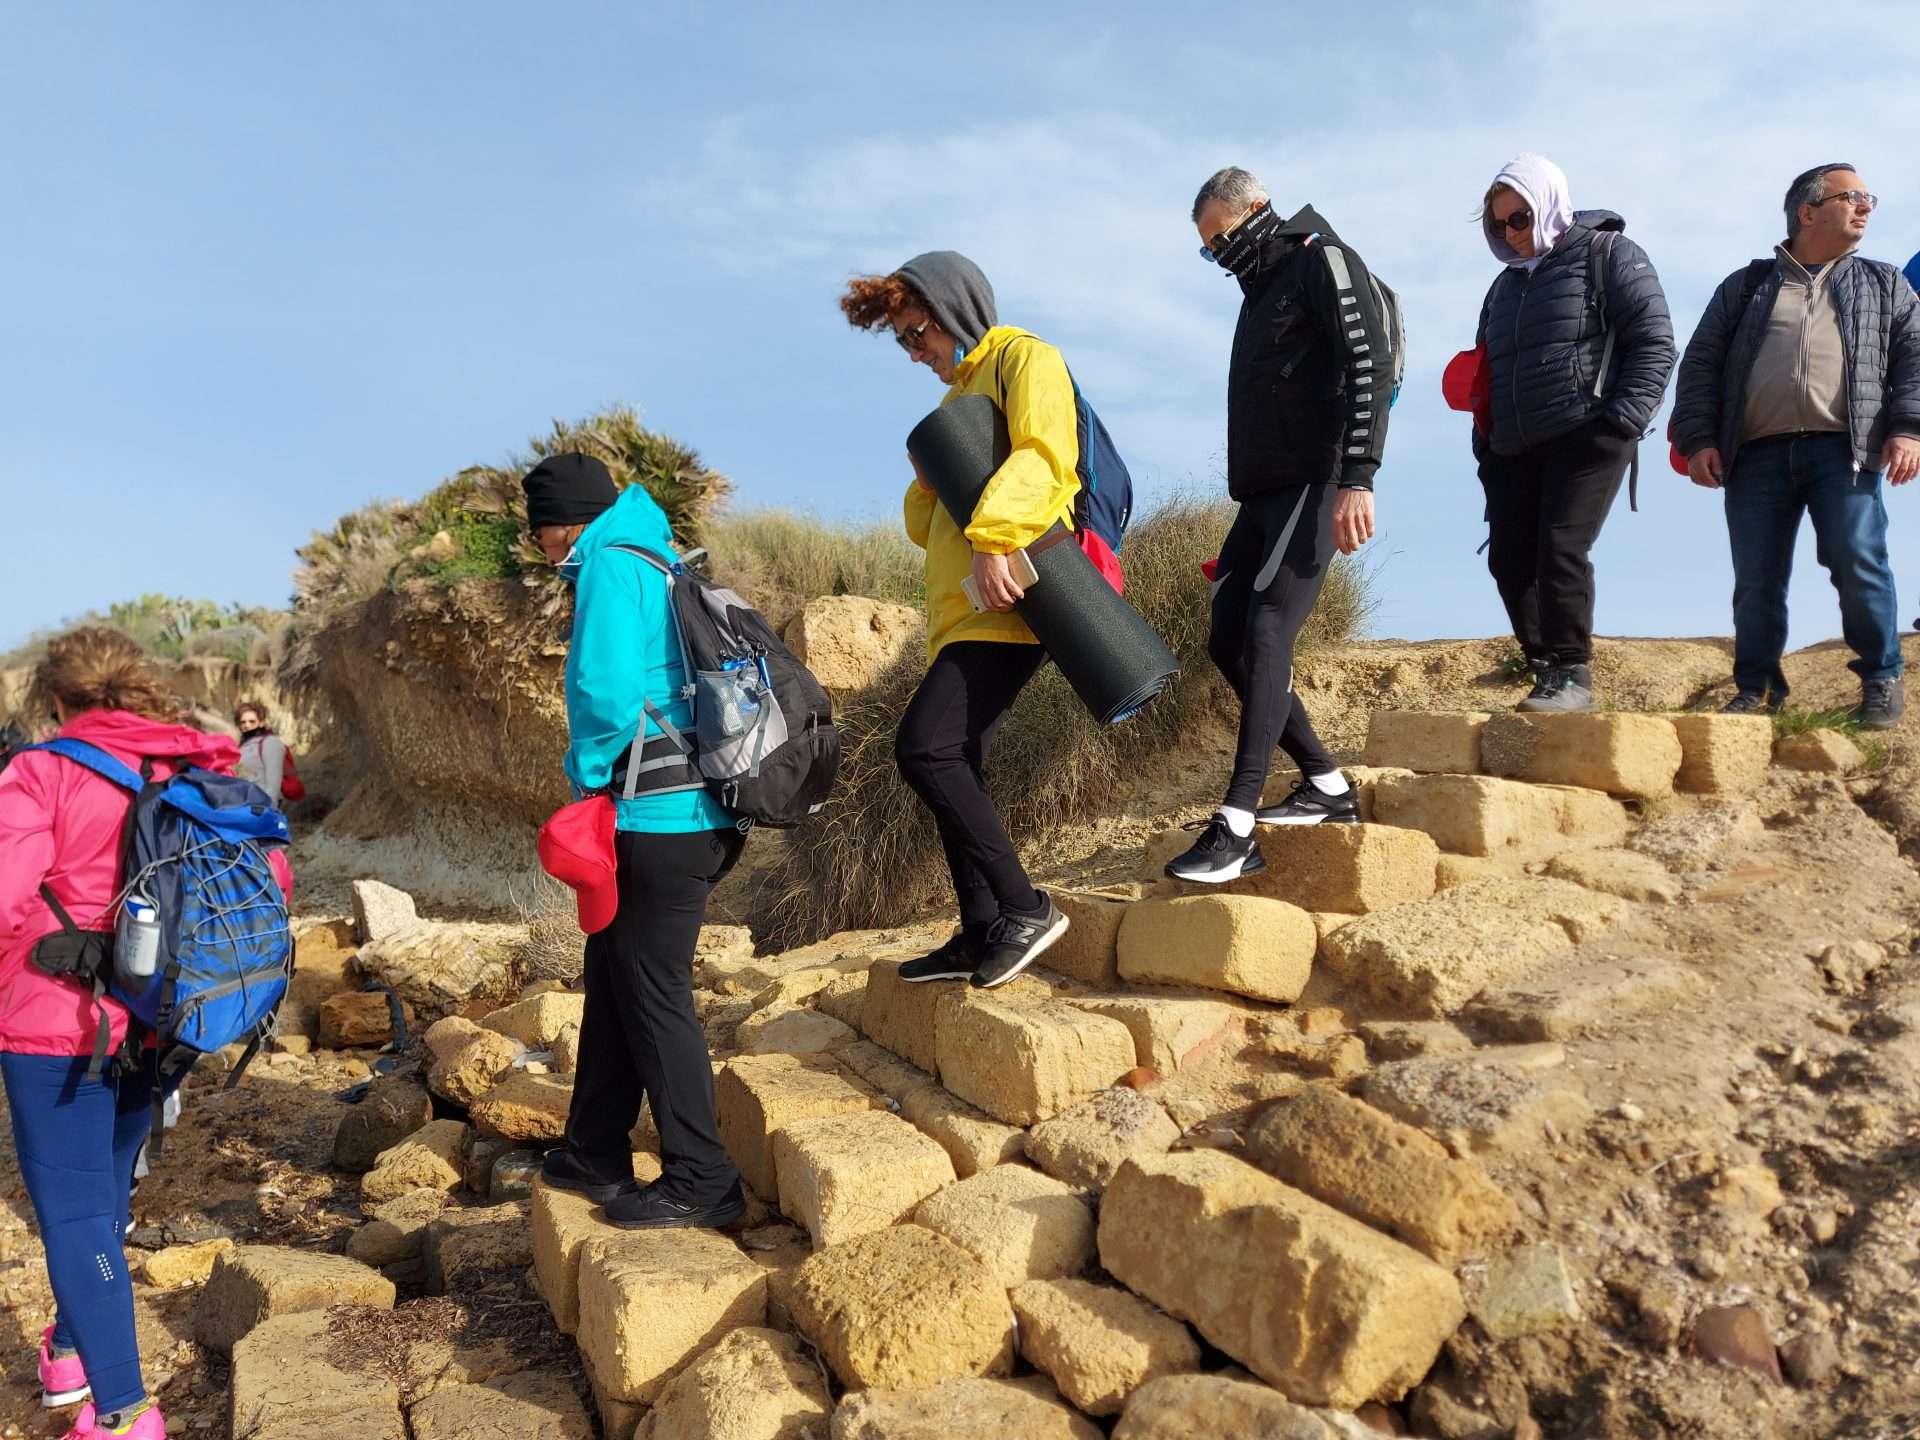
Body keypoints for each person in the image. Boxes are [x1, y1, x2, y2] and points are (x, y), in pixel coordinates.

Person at [0, 629, 287, 1440]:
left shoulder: (41, 772)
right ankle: (65, 1348)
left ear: (58, 701)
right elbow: (269, 882)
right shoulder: (194, 769)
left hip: (56, 1026)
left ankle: (122, 1413)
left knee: (76, 1214)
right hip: (168, 1019)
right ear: (135, 692)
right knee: (106, 1193)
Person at [526, 454, 750, 1229]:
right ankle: (593, 1146)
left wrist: (588, 777)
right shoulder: (656, 556)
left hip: (659, 818)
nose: (545, 551)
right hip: (696, 814)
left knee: (653, 989)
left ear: (565, 522)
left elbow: (606, 695)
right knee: (616, 971)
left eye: (544, 534)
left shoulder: (609, 568)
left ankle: (704, 1178)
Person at [839, 251, 1074, 985]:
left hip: (1010, 597)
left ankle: (1024, 906)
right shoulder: (956, 401)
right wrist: (923, 482)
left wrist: (996, 538)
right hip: (965, 608)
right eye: (905, 343)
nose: (916, 354)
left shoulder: (1025, 359)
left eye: (919, 336)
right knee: (954, 758)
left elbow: (1045, 457)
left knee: (925, 750)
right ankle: (979, 930)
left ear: (956, 310)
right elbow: (927, 528)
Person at [1163, 167, 1388, 884]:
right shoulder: (1257, 291)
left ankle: (1235, 825)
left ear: (1258, 210)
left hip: (1315, 483)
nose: (1218, 257)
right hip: (1260, 496)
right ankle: (1325, 784)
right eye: (1207, 250)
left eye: (1220, 239)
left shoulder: (1320, 259)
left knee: (1266, 633)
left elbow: (1369, 362)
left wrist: (1358, 478)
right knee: (1226, 639)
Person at [1672, 164, 1920, 726]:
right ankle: (1756, 687)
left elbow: (1914, 362)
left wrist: (1908, 428)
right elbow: (1701, 366)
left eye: (1867, 197)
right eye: (1851, 196)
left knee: (1859, 560)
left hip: (1845, 450)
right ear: (1807, 212)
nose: (1866, 207)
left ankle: (1881, 677)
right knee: (1756, 577)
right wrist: (1698, 438)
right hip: (1755, 455)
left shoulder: (1885, 284)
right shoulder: (1745, 286)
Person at [1470, 154, 1676, 714]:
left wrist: (1621, 421)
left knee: (1560, 548)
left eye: (1520, 218)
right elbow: (1488, 367)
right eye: (1500, 224)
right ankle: (1544, 670)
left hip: (1586, 432)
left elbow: (1655, 341)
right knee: (1509, 560)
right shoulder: (1504, 287)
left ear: (1548, 203)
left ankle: (1573, 675)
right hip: (1512, 446)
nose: (1511, 234)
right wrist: (1484, 442)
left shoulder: (1609, 253)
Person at [232, 700, 295, 802]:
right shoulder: (242, 746)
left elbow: (273, 782)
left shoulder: (270, 743)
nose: (247, 725)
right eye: (243, 722)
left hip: (262, 804)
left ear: (261, 722)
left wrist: (267, 809)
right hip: (245, 802)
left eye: (252, 721)